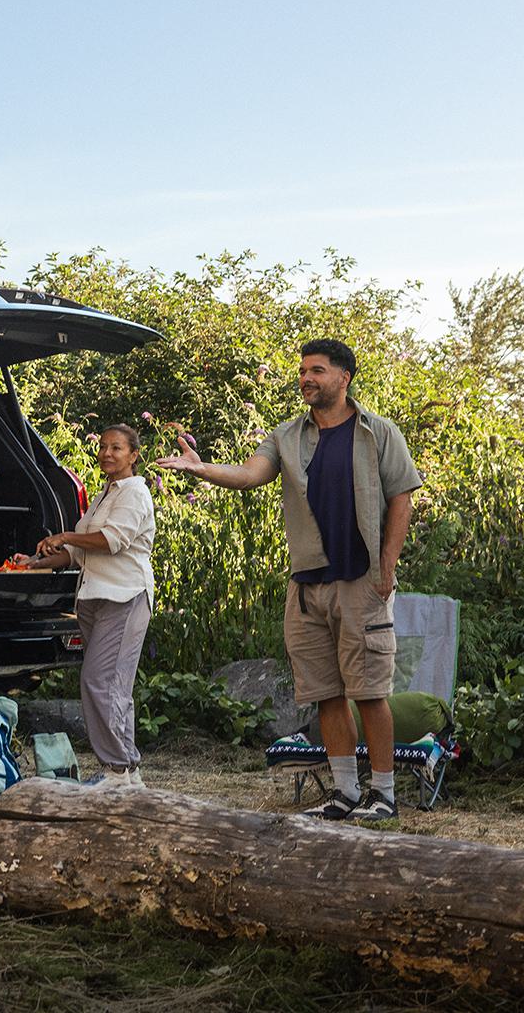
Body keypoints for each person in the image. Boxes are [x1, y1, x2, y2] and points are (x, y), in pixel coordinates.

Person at [156, 339, 422, 821]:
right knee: (324, 693)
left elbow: (402, 496)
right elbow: (250, 473)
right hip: (306, 586)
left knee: (369, 691)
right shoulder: (285, 436)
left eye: (317, 370)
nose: (306, 378)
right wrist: (202, 470)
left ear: (343, 377)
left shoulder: (378, 432)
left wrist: (387, 565)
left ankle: (383, 794)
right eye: (303, 370)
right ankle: (343, 793)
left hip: (361, 581)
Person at [20, 425, 156, 788]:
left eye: (117, 448)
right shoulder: (104, 495)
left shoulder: (135, 493)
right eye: (103, 447)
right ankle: (129, 773)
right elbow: (79, 552)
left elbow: (111, 541)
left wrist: (65, 534)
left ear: (133, 455)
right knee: (115, 687)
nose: (108, 453)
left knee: (100, 681)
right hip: (94, 597)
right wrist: (33, 562)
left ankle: (116, 768)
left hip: (124, 596)